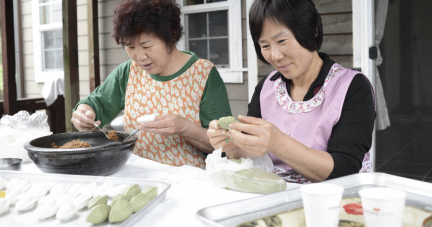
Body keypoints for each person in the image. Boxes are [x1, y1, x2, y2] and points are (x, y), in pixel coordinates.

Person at [207, 0, 376, 183]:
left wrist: (278, 143)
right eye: (265, 46)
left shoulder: (352, 87)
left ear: (312, 31)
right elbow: (253, 154)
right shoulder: (267, 87)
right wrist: (232, 146)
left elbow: (345, 169)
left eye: (281, 41)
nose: (275, 56)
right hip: (276, 197)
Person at [71, 0, 231, 169]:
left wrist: (185, 128)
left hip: (190, 183)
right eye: (130, 47)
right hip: (139, 177)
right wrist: (84, 113)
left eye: (146, 45)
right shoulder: (127, 72)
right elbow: (96, 104)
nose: (139, 56)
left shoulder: (203, 74)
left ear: (172, 36)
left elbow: (225, 147)